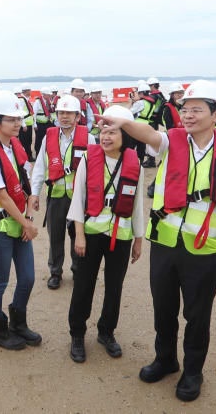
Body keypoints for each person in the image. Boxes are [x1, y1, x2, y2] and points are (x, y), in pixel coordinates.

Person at [101, 79, 216, 402]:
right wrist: (123, 121)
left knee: (197, 316)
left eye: (197, 110)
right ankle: (165, 359)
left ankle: (193, 371)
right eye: (185, 109)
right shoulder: (171, 142)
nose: (188, 115)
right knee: (163, 309)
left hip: (205, 251)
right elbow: (148, 134)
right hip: (166, 246)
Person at [67, 105, 145, 362]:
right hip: (90, 233)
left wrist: (138, 239)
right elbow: (77, 198)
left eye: (113, 131)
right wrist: (79, 235)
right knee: (83, 285)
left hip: (120, 235)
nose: (106, 137)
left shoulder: (135, 163)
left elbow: (137, 205)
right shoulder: (89, 158)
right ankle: (77, 334)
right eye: (103, 130)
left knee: (114, 287)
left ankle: (106, 331)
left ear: (126, 135)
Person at [0, 90, 41, 350]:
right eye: (11, 119)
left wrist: (28, 214)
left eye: (19, 118)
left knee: (27, 278)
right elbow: (2, 196)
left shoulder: (14, 146)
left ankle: (18, 322)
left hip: (19, 223)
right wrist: (26, 223)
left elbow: (24, 183)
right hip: (1, 228)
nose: (18, 123)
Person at [29, 95, 93, 290]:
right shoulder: (48, 137)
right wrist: (35, 193)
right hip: (56, 196)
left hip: (78, 198)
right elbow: (40, 166)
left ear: (77, 116)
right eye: (61, 112)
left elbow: (95, 169)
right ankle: (55, 272)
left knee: (78, 235)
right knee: (55, 237)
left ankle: (77, 270)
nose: (64, 116)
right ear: (56, 115)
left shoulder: (89, 138)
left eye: (69, 113)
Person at [132, 81, 158, 168]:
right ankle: (141, 162)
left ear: (142, 93)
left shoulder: (140, 103)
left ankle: (133, 163)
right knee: (142, 145)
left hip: (137, 126)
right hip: (146, 125)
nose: (138, 95)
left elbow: (130, 112)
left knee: (132, 145)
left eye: (139, 93)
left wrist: (133, 102)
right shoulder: (151, 103)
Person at [32, 87, 54, 155]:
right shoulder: (37, 102)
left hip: (47, 123)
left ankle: (47, 151)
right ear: (44, 95)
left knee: (49, 137)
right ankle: (38, 153)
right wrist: (34, 124)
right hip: (39, 124)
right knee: (39, 139)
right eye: (48, 95)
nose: (50, 96)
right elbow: (33, 114)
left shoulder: (48, 101)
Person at [16, 83, 36, 161]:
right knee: (25, 142)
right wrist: (23, 124)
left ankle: (28, 156)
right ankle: (27, 157)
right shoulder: (21, 100)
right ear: (26, 91)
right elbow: (20, 112)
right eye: (30, 90)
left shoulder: (25, 99)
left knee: (29, 141)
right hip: (25, 125)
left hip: (28, 124)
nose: (31, 92)